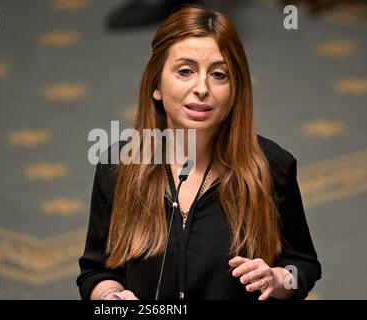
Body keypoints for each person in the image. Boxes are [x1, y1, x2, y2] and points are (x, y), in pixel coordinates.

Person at [77, 5, 321, 300]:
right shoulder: (118, 166)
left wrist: (277, 279)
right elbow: (96, 272)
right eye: (185, 71)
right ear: (156, 84)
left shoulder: (272, 167)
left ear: (235, 90)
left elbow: (303, 266)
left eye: (219, 75)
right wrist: (111, 299)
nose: (202, 88)